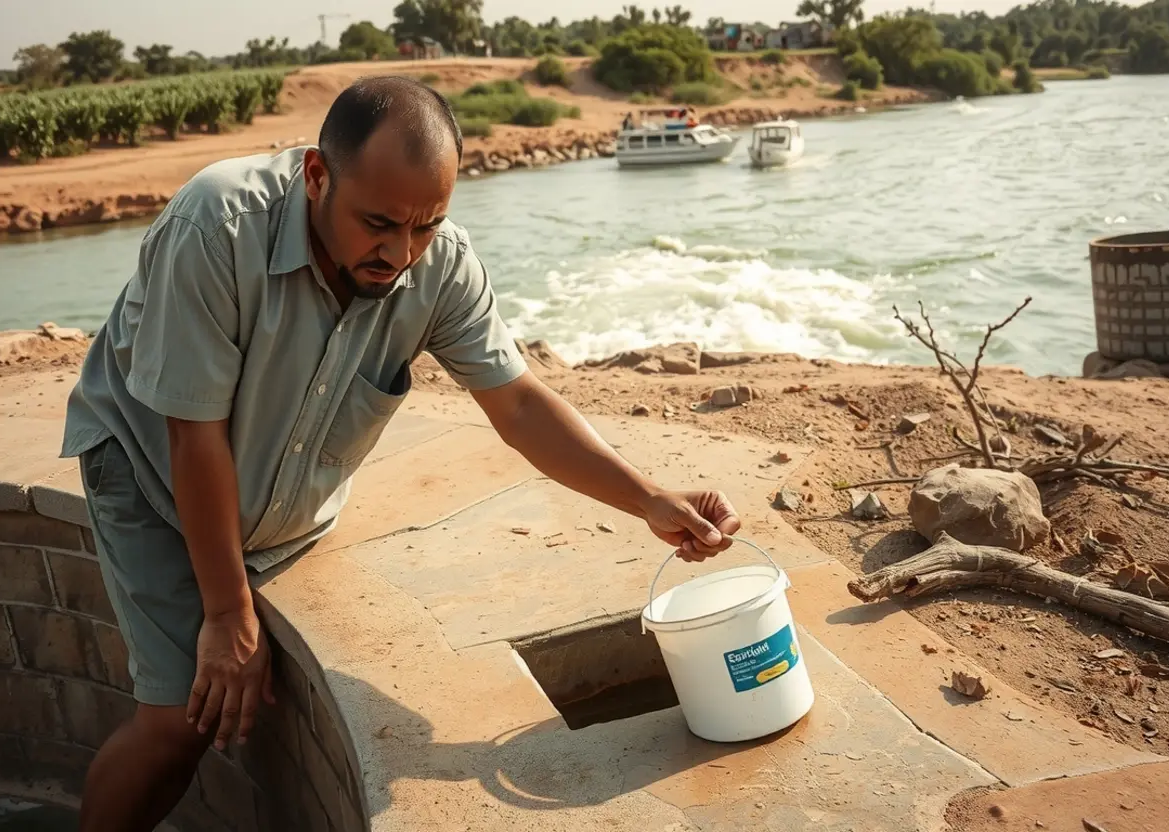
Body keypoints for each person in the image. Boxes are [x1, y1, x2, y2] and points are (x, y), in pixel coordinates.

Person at [60, 75, 741, 832]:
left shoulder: (438, 260)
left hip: (272, 501)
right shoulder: (215, 225)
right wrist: (227, 612)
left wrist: (648, 498)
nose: (401, 254)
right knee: (174, 727)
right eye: (378, 223)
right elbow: (193, 433)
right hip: (149, 469)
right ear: (317, 175)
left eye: (425, 227)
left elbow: (517, 404)